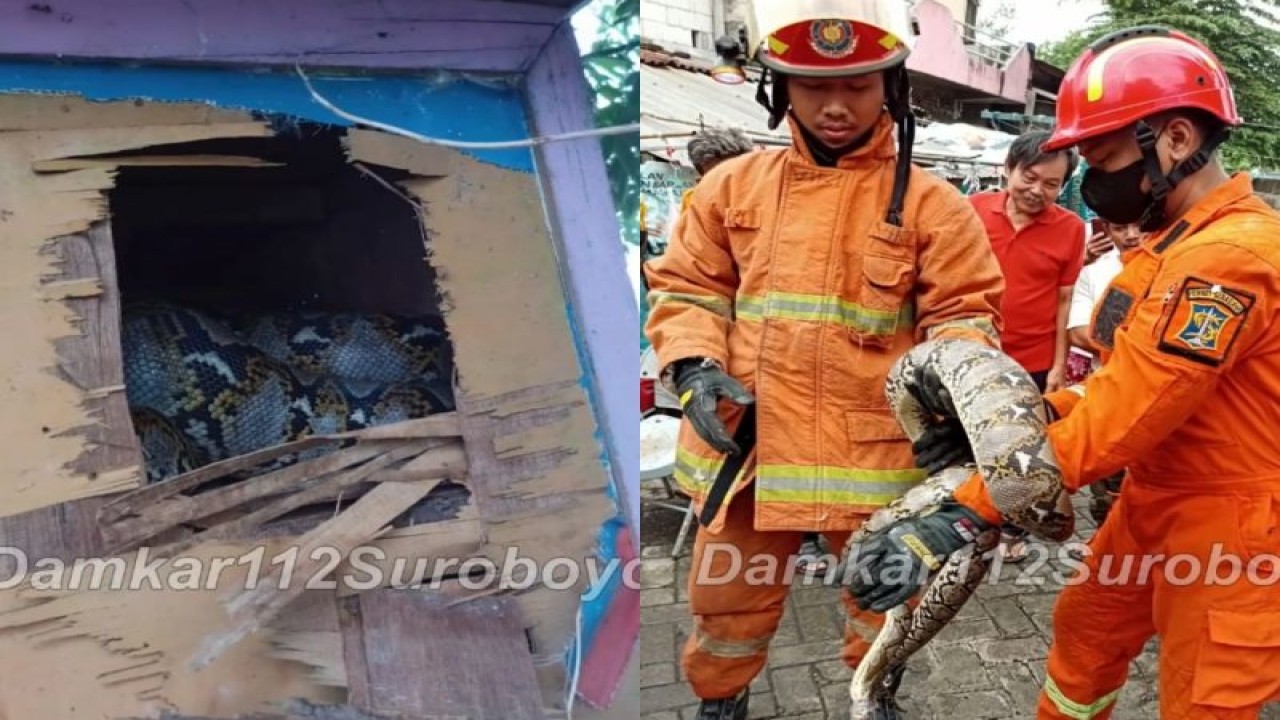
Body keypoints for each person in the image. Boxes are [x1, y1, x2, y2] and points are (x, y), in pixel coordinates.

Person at [846, 26, 1280, 718]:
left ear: (1174, 139)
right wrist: (1021, 421)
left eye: (1101, 157)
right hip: (1152, 495)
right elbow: (1113, 387)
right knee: (1087, 634)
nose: (1086, 181)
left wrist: (965, 511)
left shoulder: (1229, 261)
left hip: (1233, 516)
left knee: (1207, 695)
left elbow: (1128, 415)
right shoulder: (1168, 252)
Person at [644, 3, 1005, 718]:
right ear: (780, 92)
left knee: (888, 599)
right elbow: (689, 288)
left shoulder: (935, 206)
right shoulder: (728, 188)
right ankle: (721, 700)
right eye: (812, 88)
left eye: (859, 86)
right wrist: (689, 364)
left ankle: (876, 691)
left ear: (890, 91)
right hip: (747, 447)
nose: (836, 106)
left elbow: (964, 316)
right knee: (726, 602)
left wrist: (957, 404)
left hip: (870, 454)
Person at [970, 130, 1086, 395]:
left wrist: (1059, 366)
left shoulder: (1072, 228)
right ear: (1009, 168)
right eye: (1030, 177)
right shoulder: (974, 209)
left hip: (1033, 362)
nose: (1036, 190)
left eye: (1051, 184)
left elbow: (1064, 300)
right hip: (972, 350)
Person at [1066, 218, 1144, 527]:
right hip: (1108, 393)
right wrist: (1141, 346)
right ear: (1108, 231)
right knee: (1108, 482)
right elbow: (1077, 330)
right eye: (1121, 228)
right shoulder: (1096, 271)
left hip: (1157, 393)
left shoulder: (1178, 263)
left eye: (1140, 227)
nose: (1131, 234)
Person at [680, 127, 756, 212]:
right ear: (701, 179)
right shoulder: (692, 199)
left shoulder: (766, 195)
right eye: (715, 177)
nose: (726, 182)